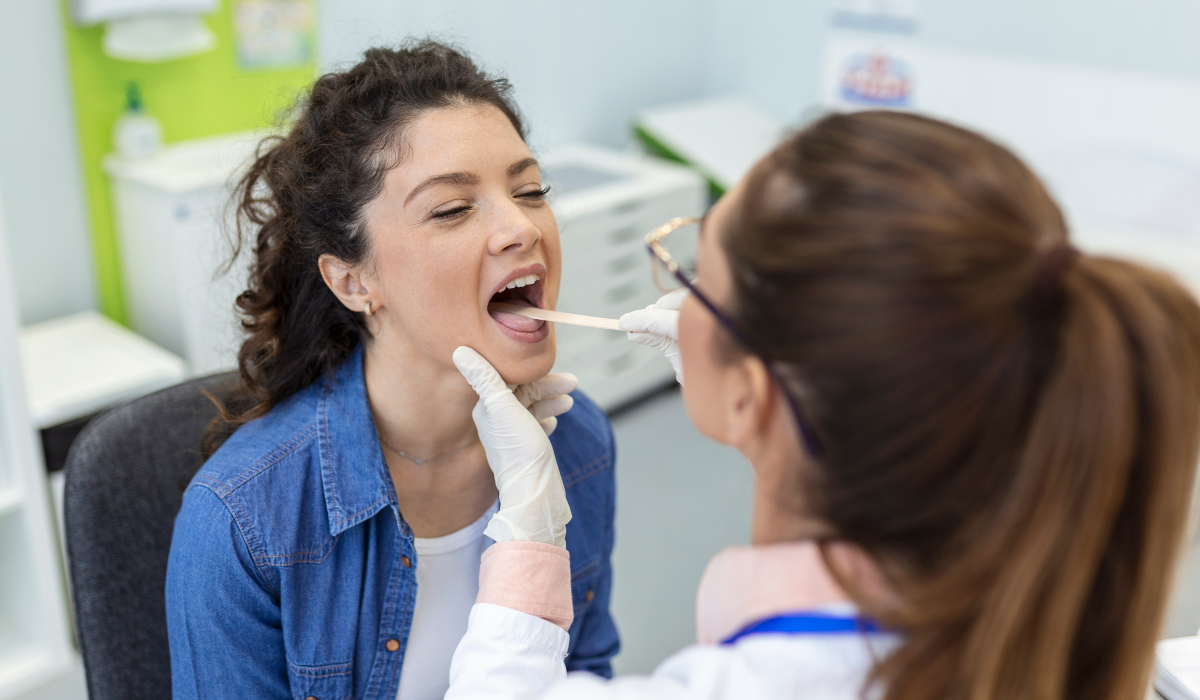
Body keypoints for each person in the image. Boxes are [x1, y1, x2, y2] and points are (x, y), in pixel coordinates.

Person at [444, 110, 1200, 700]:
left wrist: (528, 541)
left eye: (702, 274)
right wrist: (766, 413)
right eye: (450, 208)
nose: (518, 228)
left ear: (756, 391)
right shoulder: (1053, 622)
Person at [164, 41, 619, 700]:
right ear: (353, 280)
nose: (521, 226)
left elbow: (586, 673)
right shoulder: (241, 524)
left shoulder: (576, 446)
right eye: (452, 209)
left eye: (530, 190)